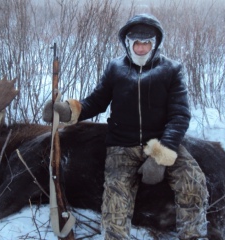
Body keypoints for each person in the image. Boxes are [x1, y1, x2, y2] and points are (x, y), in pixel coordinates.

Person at [43, 13, 209, 240]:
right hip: (122, 145)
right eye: (136, 43)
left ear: (155, 43)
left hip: (162, 141)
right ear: (128, 43)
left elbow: (179, 115)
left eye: (146, 43)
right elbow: (96, 102)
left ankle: (193, 236)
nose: (141, 48)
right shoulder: (115, 69)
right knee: (115, 201)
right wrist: (67, 111)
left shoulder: (172, 70)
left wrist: (160, 156)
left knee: (193, 182)